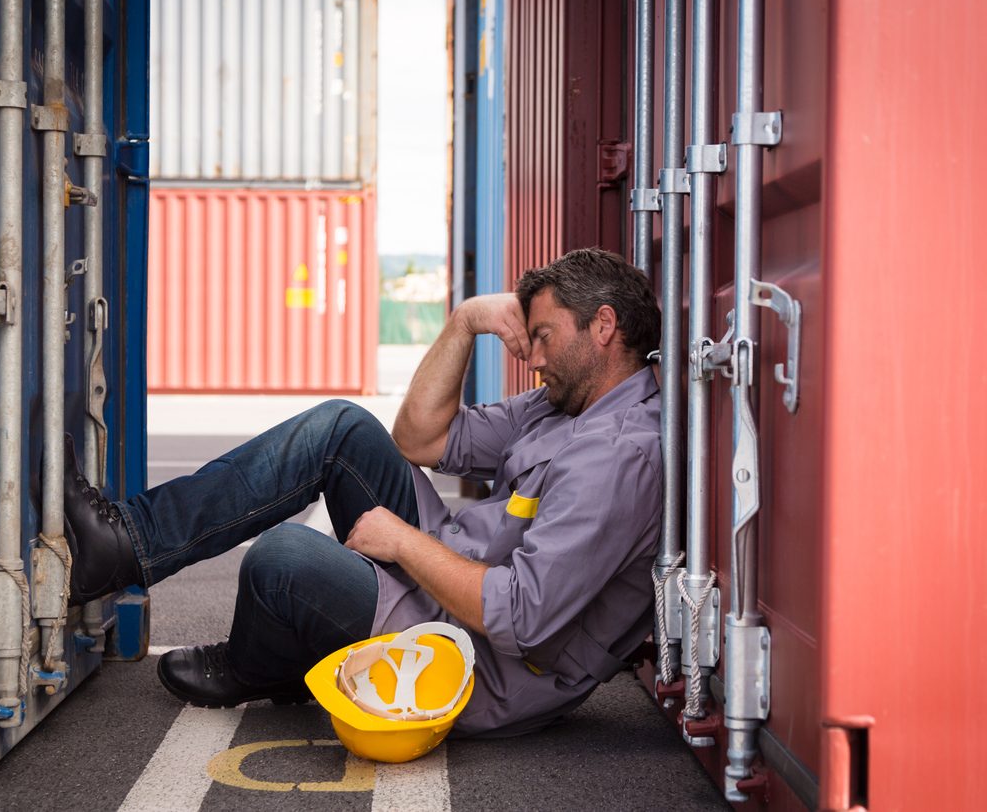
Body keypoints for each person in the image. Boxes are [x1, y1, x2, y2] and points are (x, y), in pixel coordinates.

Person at [63, 247, 664, 737]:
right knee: (341, 428)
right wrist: (465, 322)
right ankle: (127, 545)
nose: (532, 358)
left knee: (283, 561)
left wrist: (402, 542)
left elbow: (521, 619)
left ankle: (261, 666)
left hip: (477, 659)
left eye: (544, 337)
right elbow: (420, 437)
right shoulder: (563, 406)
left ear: (604, 326)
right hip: (449, 572)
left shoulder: (617, 457)